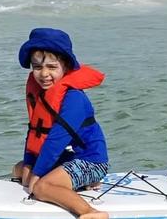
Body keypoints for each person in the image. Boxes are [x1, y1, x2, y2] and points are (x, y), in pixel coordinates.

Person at [12, 28, 109, 219]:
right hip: (64, 158)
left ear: (65, 66)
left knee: (41, 187)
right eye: (37, 67)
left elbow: (56, 139)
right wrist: (29, 164)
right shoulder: (41, 95)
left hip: (90, 160)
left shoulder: (74, 99)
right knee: (19, 169)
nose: (44, 74)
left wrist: (38, 174)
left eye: (52, 67)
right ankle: (77, 182)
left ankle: (91, 212)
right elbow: (34, 133)